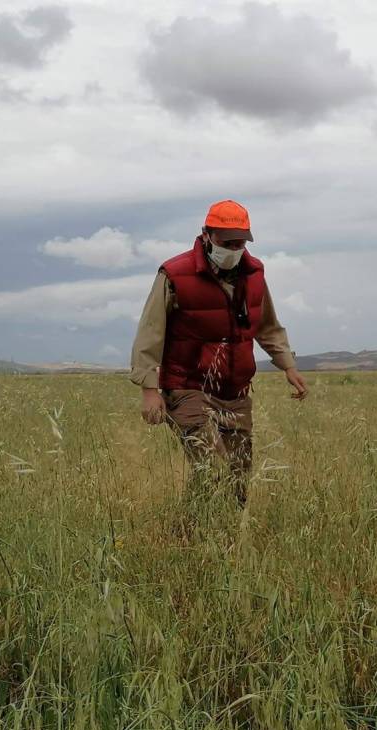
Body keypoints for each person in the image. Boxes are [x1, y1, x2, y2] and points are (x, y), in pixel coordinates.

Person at [130, 199, 309, 509]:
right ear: (207, 235)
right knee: (213, 467)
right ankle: (191, 534)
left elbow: (267, 325)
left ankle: (218, 535)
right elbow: (150, 331)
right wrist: (149, 389)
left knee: (238, 477)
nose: (234, 249)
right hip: (187, 387)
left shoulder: (254, 274)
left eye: (240, 243)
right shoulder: (174, 274)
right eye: (227, 243)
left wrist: (288, 366)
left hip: (235, 392)